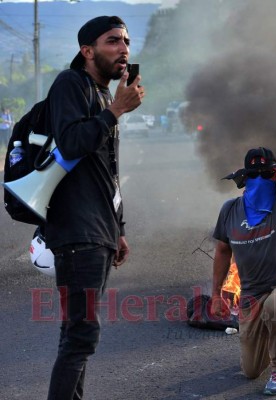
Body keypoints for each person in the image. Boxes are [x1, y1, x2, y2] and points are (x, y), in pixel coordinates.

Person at [44, 16, 144, 400]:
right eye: (113, 41)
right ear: (87, 51)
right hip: (76, 231)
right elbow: (70, 143)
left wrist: (117, 228)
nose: (124, 49)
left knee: (76, 334)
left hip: (97, 232)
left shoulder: (103, 96)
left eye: (126, 42)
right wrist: (115, 111)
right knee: (81, 334)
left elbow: (107, 173)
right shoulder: (71, 84)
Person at [210, 104, 276, 396]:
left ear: (274, 177)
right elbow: (222, 251)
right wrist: (217, 294)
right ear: (244, 180)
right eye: (253, 177)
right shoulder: (230, 210)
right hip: (253, 295)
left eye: (264, 176)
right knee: (251, 370)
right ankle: (271, 340)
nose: (259, 182)